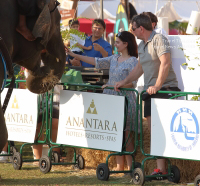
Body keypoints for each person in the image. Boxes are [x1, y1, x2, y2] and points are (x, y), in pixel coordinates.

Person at [115, 14, 180, 177]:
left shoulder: (159, 39)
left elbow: (165, 62)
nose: (132, 31)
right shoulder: (142, 45)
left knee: (163, 129)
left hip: (165, 89)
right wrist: (124, 81)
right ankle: (161, 168)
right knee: (154, 130)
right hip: (152, 92)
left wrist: (157, 85)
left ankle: (166, 166)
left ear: (141, 28)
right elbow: (139, 69)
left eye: (133, 28)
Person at [66, 31, 139, 172]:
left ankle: (130, 167)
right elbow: (95, 62)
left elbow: (132, 83)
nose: (115, 44)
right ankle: (119, 166)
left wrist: (116, 85)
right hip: (111, 100)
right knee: (116, 132)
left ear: (126, 44)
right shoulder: (114, 58)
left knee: (127, 134)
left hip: (126, 100)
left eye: (118, 42)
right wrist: (75, 55)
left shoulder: (133, 61)